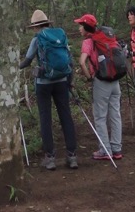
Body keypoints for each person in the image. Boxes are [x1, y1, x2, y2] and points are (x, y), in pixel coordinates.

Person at [19, 9, 78, 170]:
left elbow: (27, 61)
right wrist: (70, 82)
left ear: (35, 27)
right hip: (62, 81)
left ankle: (50, 158)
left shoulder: (37, 39)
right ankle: (72, 156)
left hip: (43, 83)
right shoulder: (60, 35)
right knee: (66, 116)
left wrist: (14, 68)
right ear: (47, 23)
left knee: (45, 118)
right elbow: (70, 61)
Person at [74, 13, 123, 161]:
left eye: (80, 25)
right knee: (115, 114)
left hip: (101, 81)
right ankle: (116, 149)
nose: (79, 29)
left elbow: (82, 62)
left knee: (100, 117)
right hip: (115, 80)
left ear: (86, 27)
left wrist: (89, 77)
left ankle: (105, 150)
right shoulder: (106, 37)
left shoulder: (89, 41)